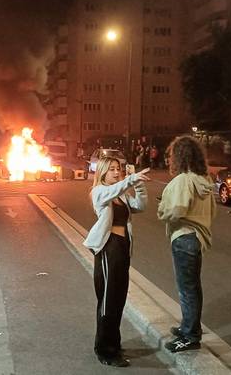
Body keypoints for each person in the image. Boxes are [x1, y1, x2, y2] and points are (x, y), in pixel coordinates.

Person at [84, 157, 149, 367]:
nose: (116, 172)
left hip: (123, 248)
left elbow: (141, 205)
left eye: (118, 169)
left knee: (119, 298)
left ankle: (114, 343)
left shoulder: (121, 195)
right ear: (102, 172)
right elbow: (110, 192)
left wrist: (138, 184)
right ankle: (104, 349)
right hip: (108, 247)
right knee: (108, 299)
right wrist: (129, 180)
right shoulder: (99, 192)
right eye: (111, 169)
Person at [157, 136, 216, 353]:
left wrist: (162, 211)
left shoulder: (183, 180)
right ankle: (189, 327)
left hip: (183, 237)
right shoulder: (204, 181)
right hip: (197, 237)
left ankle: (190, 336)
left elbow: (177, 210)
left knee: (186, 289)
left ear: (179, 157)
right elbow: (211, 212)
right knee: (193, 287)